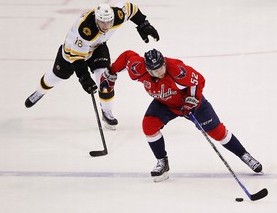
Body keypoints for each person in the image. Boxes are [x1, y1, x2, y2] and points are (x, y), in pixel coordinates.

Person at [99, 49, 263, 182]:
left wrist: (192, 102)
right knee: (148, 126)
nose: (160, 71)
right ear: (147, 69)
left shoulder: (177, 69)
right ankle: (162, 162)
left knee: (217, 132)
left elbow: (198, 80)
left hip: (189, 103)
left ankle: (244, 155)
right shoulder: (138, 69)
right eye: (155, 70)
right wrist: (111, 72)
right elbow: (128, 55)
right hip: (164, 103)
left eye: (162, 67)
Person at [25, 2, 159, 130]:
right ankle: (39, 92)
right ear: (96, 19)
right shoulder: (86, 29)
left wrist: (143, 24)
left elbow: (130, 8)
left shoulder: (117, 15)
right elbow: (77, 58)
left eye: (109, 22)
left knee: (105, 80)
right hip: (71, 52)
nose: (106, 26)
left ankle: (107, 112)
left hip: (97, 47)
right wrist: (84, 77)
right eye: (102, 22)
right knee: (56, 76)